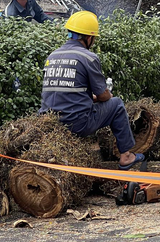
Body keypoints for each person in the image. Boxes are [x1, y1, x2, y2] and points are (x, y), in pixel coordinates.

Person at [40, 11, 145, 170]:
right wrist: (106, 95)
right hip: (75, 123)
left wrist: (90, 98)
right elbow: (103, 96)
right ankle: (126, 157)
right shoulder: (88, 57)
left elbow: (64, 93)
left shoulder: (52, 56)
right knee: (116, 104)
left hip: (50, 122)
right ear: (89, 38)